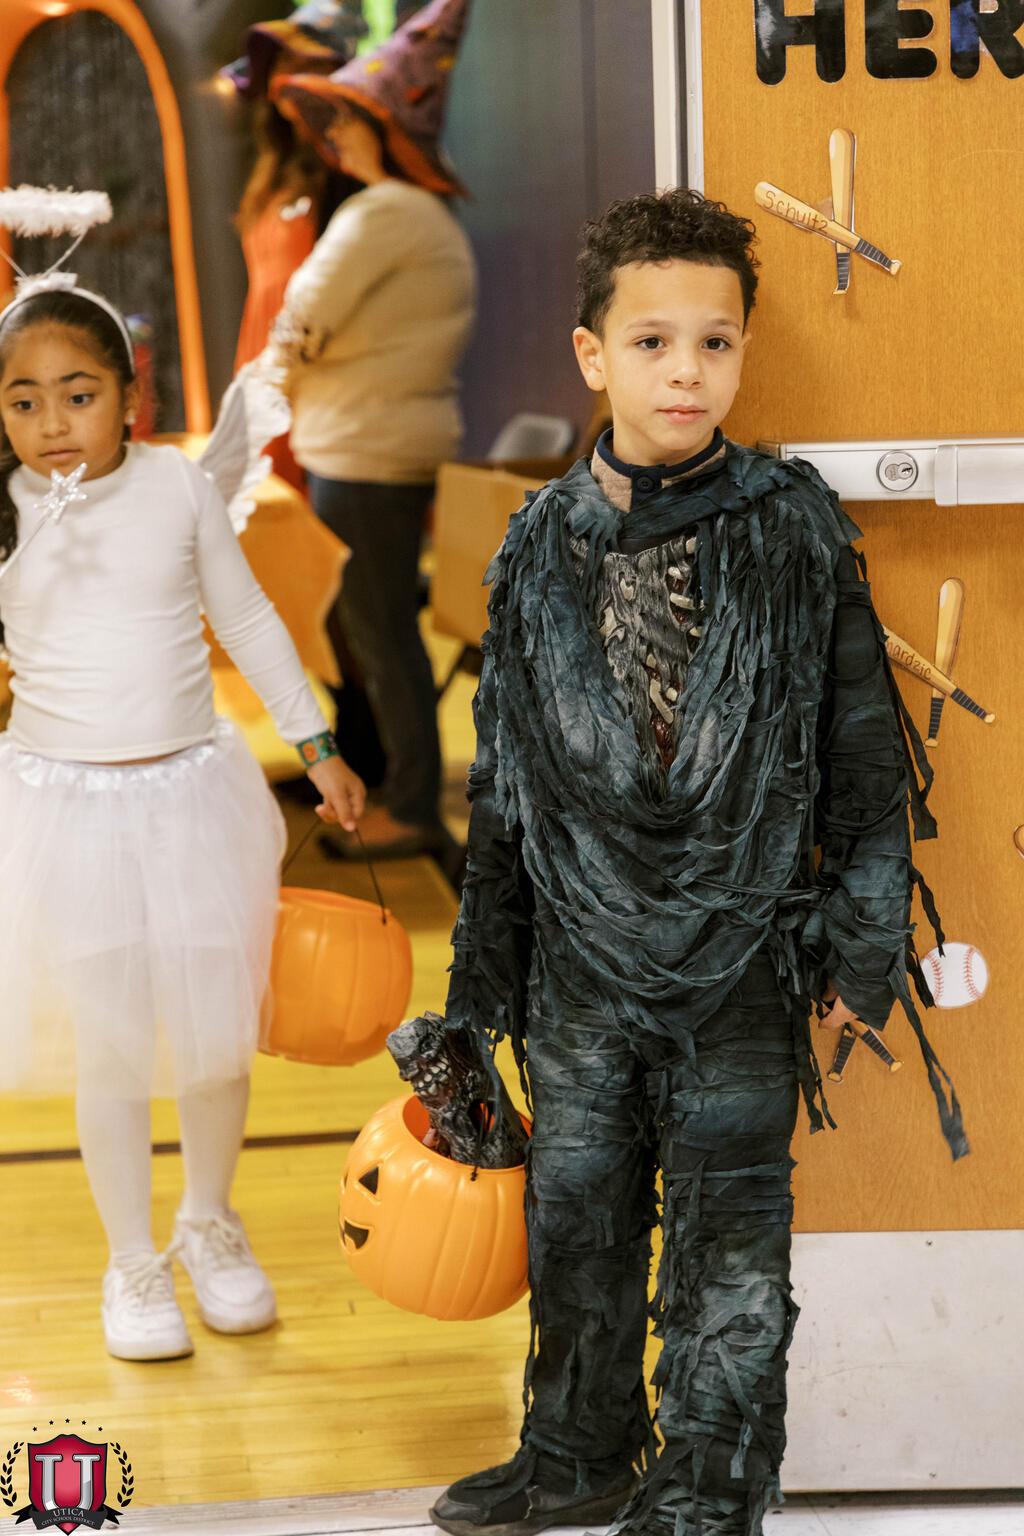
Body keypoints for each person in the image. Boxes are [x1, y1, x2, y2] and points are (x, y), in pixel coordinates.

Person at [429, 189, 967, 1536]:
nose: (686, 372)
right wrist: (479, 984)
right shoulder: (537, 543)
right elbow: (501, 784)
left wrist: (861, 943)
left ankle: (711, 1482)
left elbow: (861, 756)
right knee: (578, 1219)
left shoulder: (792, 526)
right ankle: (575, 1452)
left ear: (742, 352)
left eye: (714, 344)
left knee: (730, 1238)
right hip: (578, 962)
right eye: (653, 342)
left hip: (742, 956)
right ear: (591, 355)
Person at [0, 259, 365, 1362]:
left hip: (192, 797)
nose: (53, 423)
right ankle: (131, 1258)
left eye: (79, 394)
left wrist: (317, 743)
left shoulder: (175, 486)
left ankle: (208, 1219)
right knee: (111, 1048)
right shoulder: (6, 512)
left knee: (214, 1037)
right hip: (64, 810)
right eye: (23, 400)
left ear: (129, 396)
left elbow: (246, 619)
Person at [266, 0, 476, 862]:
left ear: (385, 128)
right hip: (380, 445)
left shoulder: (385, 211)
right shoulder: (420, 215)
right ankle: (401, 791)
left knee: (380, 633)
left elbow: (303, 312)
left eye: (349, 117)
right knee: (382, 630)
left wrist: (273, 382)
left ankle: (412, 806)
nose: (336, 133)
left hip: (364, 451)